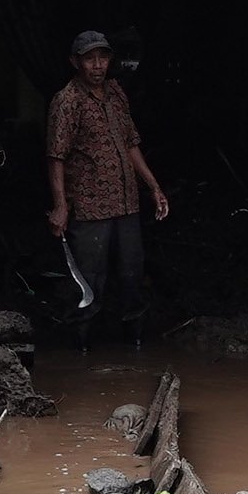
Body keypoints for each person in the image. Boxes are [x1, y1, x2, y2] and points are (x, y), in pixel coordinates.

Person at [46, 29, 168, 348]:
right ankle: (81, 348)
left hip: (126, 204)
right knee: (89, 281)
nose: (98, 66)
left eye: (102, 58)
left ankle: (134, 342)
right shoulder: (67, 101)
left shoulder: (116, 93)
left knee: (131, 275)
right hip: (89, 207)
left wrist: (153, 186)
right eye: (90, 60)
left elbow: (131, 144)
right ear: (76, 63)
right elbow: (56, 156)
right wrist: (60, 206)